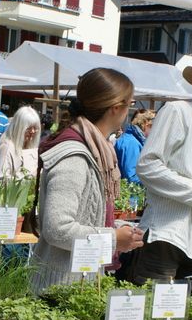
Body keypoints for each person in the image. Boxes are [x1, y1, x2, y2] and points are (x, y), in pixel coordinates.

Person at [29, 68, 144, 294]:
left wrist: (116, 229)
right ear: (116, 108)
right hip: (59, 290)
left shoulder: (94, 150)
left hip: (73, 285)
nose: (128, 112)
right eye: (130, 105)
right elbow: (56, 228)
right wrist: (113, 238)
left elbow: (82, 216)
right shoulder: (75, 155)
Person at [117, 49, 192, 284]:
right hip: (167, 234)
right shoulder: (178, 111)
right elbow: (146, 166)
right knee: (151, 313)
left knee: (183, 318)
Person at [0, 105, 40, 182]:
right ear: (19, 127)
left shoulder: (28, 146)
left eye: (35, 128)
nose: (33, 131)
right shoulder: (7, 147)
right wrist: (27, 178)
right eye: (29, 128)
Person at [114, 109, 155, 184]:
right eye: (154, 128)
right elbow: (131, 177)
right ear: (146, 125)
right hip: (132, 194)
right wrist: (154, 182)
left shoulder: (131, 139)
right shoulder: (132, 143)